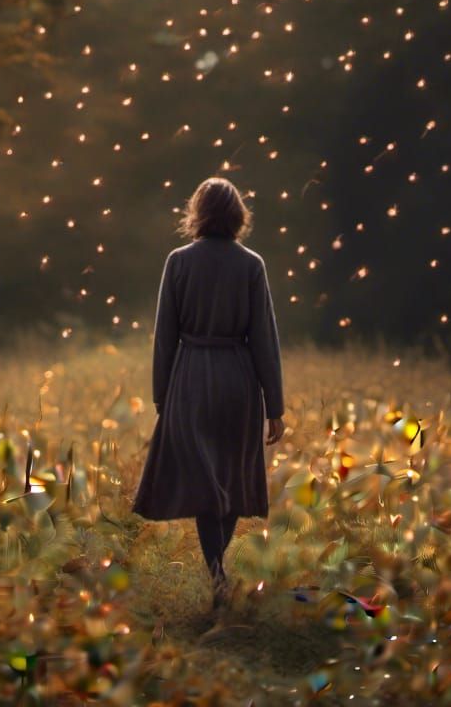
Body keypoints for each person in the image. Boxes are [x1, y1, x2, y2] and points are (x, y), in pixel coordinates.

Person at [131, 177, 286, 613]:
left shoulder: (178, 262)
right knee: (231, 479)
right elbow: (264, 339)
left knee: (205, 482)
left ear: (197, 213)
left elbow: (165, 336)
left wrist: (162, 396)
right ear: (238, 215)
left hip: (192, 380)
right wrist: (274, 406)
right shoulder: (251, 264)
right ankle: (220, 574)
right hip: (239, 380)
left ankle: (216, 572)